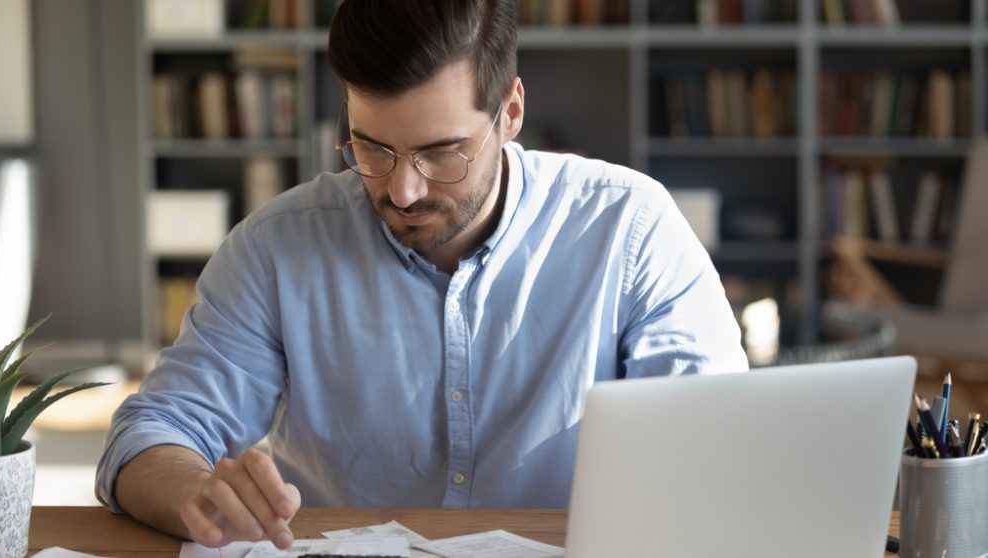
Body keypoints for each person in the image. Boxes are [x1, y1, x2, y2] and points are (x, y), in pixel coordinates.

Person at [96, 0, 749, 550]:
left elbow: (718, 445)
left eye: (442, 154)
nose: (403, 190)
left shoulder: (629, 229)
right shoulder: (276, 248)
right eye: (372, 148)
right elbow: (148, 436)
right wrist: (195, 489)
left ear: (510, 112)